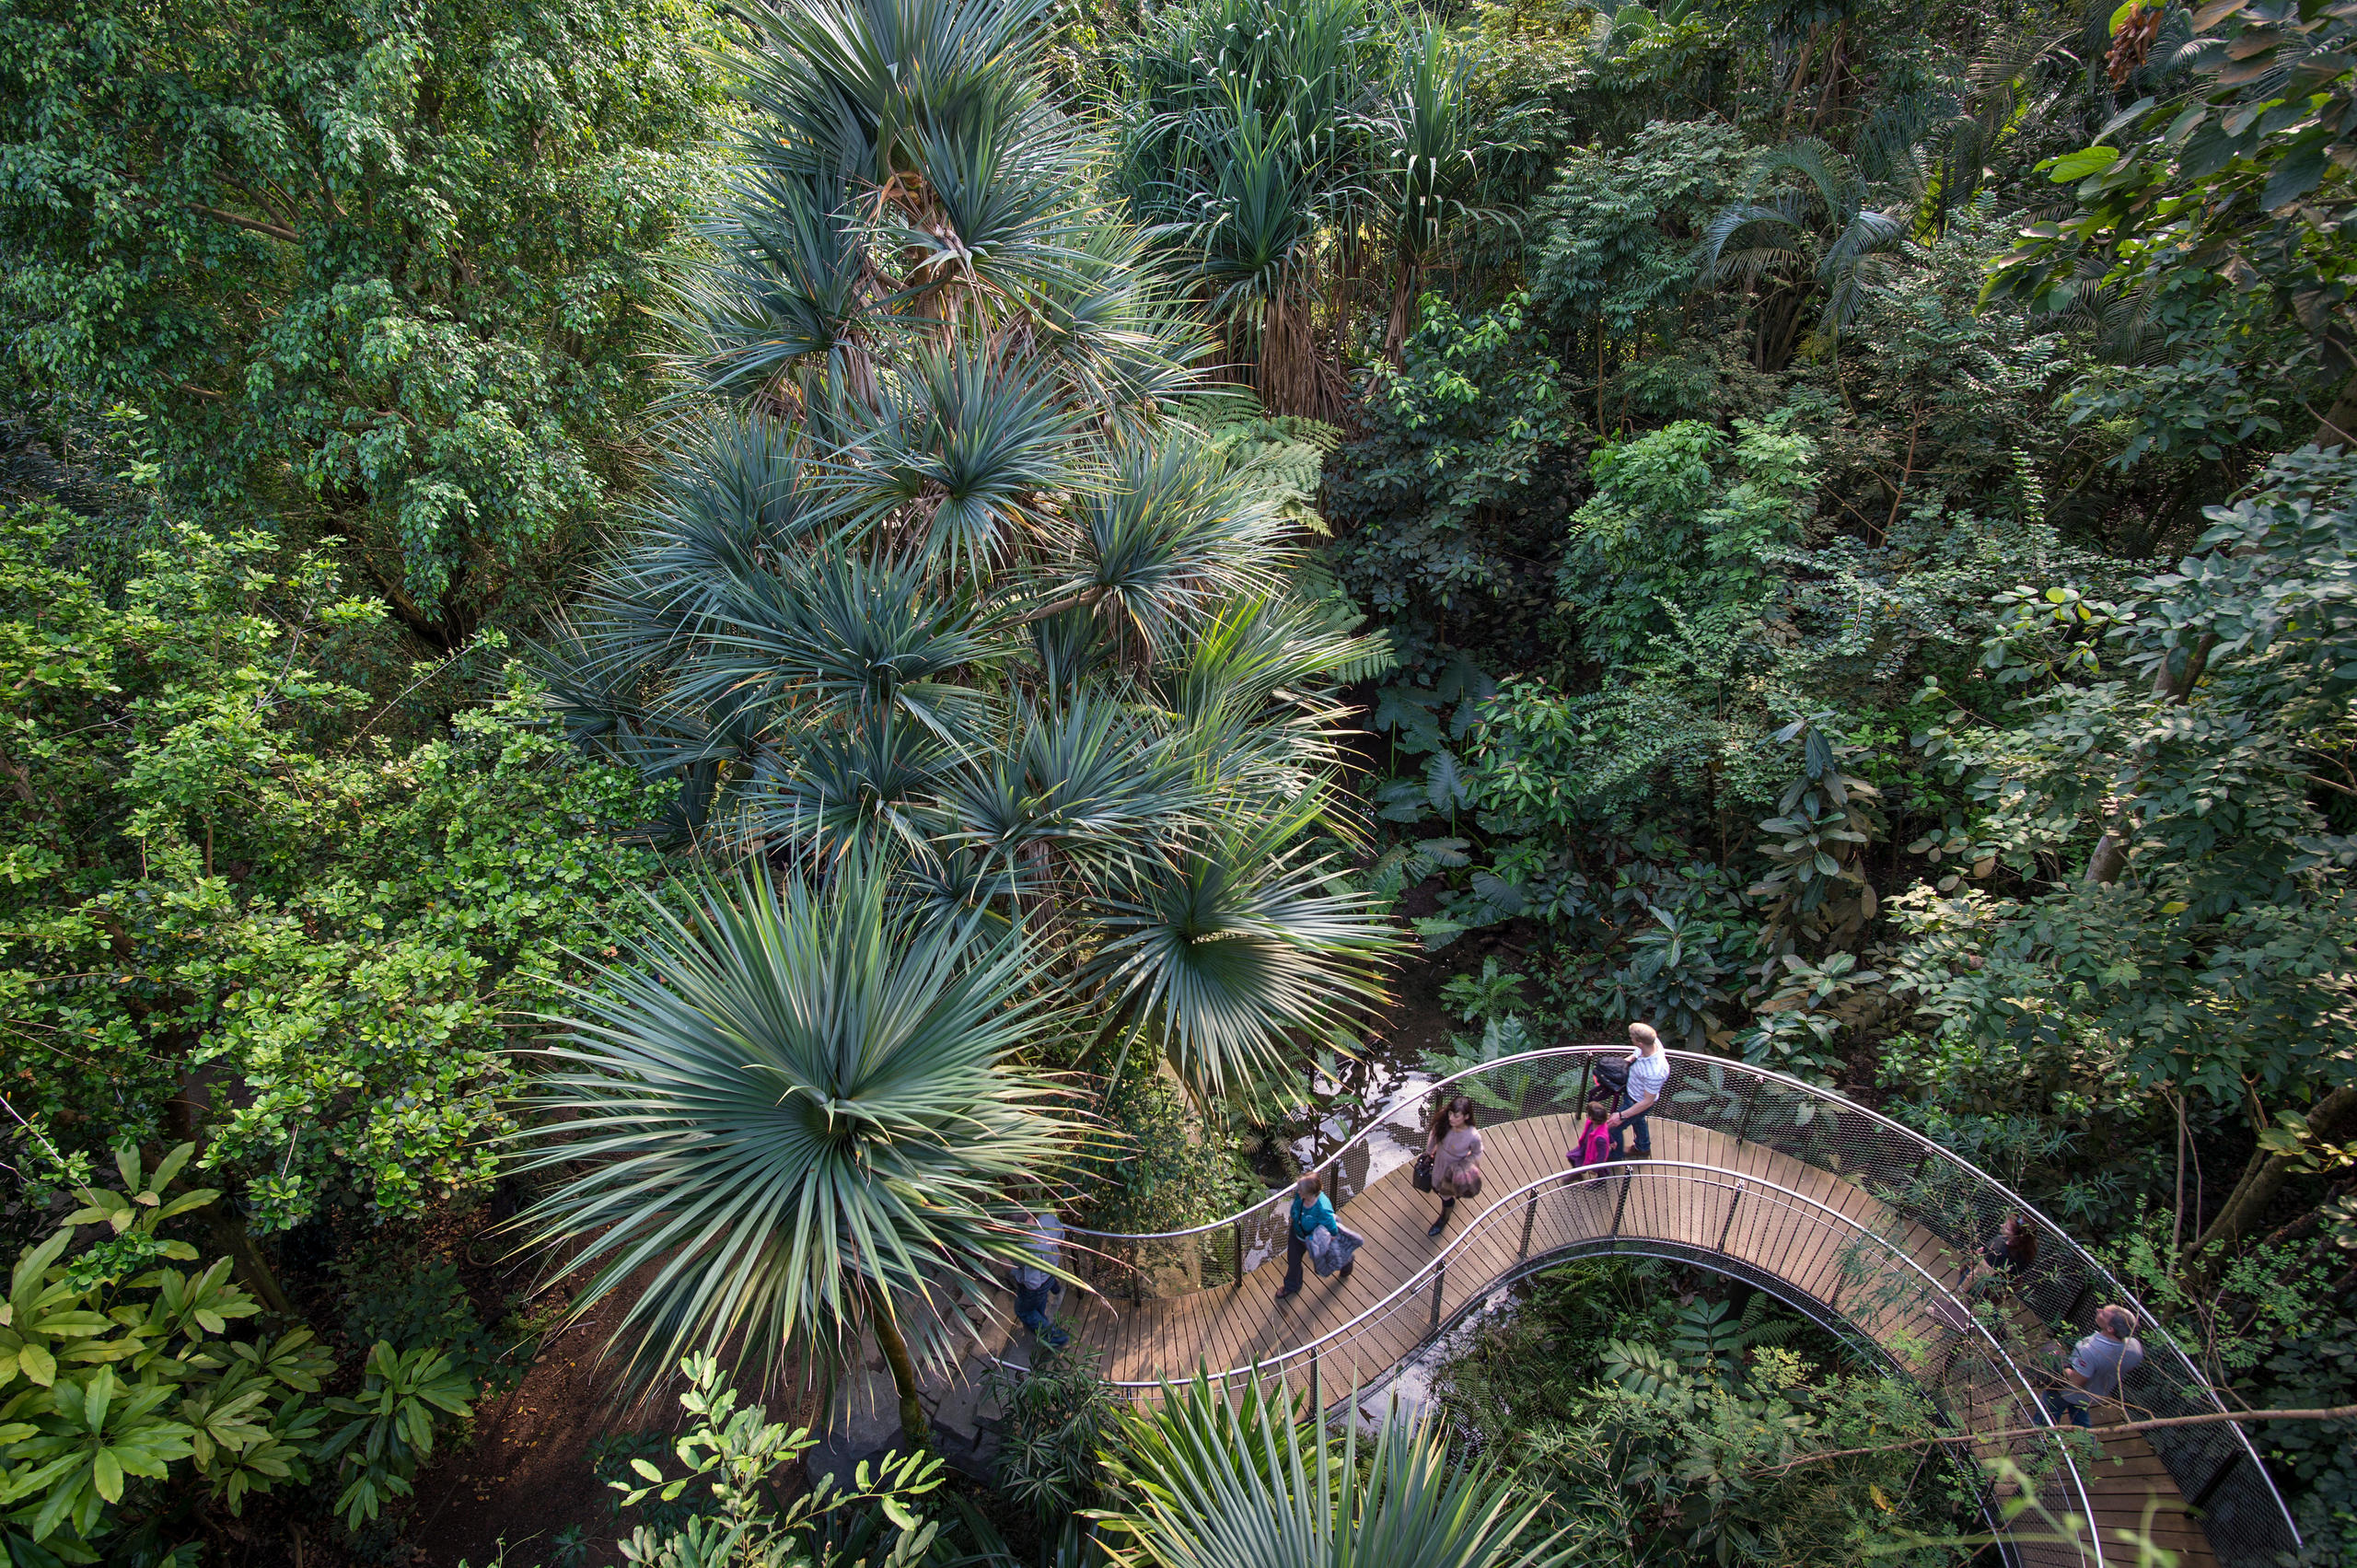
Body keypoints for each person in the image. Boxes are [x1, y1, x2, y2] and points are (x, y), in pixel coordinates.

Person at [2046, 1304, 2143, 1428]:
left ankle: (2043, 1439)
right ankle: (2087, 1445)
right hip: (2094, 1394)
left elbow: (2075, 1381)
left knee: (2047, 1416)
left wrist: (2060, 1361)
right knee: (2081, 1422)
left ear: (2110, 1329)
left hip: (2067, 1393)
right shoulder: (2135, 1348)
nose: (2098, 1309)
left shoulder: (2090, 1349)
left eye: (2103, 1313)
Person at [1276, 1172, 1351, 1298]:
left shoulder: (1322, 1208)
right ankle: (1292, 1285)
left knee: (1329, 1258)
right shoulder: (1300, 1194)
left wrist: (1329, 1240)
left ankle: (1346, 1262)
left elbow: (1332, 1228)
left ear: (1310, 1193)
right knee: (1293, 1261)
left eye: (1301, 1190)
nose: (1297, 1191)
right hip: (1297, 1233)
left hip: (1313, 1239)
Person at [1605, 1022, 1669, 1159]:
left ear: (1639, 1042)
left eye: (1632, 1038)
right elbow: (1636, 1055)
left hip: (1637, 1102)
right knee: (1638, 1120)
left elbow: (1647, 1102)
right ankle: (1642, 1147)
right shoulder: (1651, 1043)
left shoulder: (1655, 1072)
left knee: (1613, 1128)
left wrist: (1621, 1116)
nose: (1631, 1039)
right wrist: (1623, 1064)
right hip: (1632, 1093)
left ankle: (1613, 1158)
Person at [1425, 1095, 1484, 1237]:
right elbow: (1434, 1135)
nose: (1451, 1118)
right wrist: (1428, 1152)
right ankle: (1451, 1196)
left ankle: (1443, 1218)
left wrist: (1462, 1164)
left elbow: (1477, 1153)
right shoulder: (1444, 1124)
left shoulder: (1473, 1136)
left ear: (1466, 1116)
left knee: (1446, 1194)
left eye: (1456, 1116)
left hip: (1455, 1169)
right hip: (1440, 1161)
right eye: (1450, 1114)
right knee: (1436, 1184)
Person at [1012, 1208, 1069, 1349]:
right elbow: (1061, 1235)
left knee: (1023, 1310)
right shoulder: (1047, 1220)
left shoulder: (1027, 1247)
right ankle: (1042, 1318)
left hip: (1040, 1284)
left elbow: (1033, 1284)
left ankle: (1058, 1338)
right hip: (1051, 1272)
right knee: (1039, 1301)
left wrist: (1012, 1270)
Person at [1957, 1214, 2039, 1293]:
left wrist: (1961, 1290)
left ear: (2018, 1236)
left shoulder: (1999, 1249)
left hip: (1977, 1286)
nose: (2001, 1225)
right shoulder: (2027, 1250)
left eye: (2007, 1228)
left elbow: (1978, 1274)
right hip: (1997, 1289)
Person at [1565, 1097, 1614, 1183]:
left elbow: (1602, 1155)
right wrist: (1612, 1141)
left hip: (1594, 1155)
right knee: (1572, 1157)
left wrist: (1595, 1168)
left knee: (1601, 1171)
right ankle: (1577, 1174)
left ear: (1591, 1117)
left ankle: (1601, 1181)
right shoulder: (1598, 1124)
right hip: (1586, 1147)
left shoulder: (1600, 1138)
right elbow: (1607, 1132)